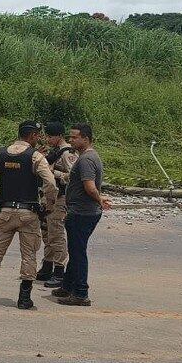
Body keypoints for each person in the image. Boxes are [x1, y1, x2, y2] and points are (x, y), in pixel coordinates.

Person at [0, 121, 57, 310]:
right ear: (32, 136)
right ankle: (24, 298)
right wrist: (49, 205)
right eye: (38, 135)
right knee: (28, 255)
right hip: (29, 213)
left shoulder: (1, 153)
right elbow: (51, 184)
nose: (39, 139)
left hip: (5, 210)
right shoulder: (35, 156)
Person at [54, 122, 111, 307]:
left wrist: (99, 199)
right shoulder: (88, 157)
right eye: (70, 137)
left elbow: (90, 187)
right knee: (75, 250)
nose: (71, 140)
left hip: (82, 213)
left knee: (78, 253)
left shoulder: (86, 159)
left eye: (75, 137)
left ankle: (80, 293)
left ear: (86, 139)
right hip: (82, 211)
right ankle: (68, 286)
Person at [38, 122, 77, 289]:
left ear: (59, 136)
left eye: (50, 136)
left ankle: (59, 270)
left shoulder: (67, 153)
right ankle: (47, 265)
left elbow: (74, 175)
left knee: (56, 234)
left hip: (60, 198)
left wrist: (53, 172)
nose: (48, 139)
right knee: (46, 232)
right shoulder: (54, 152)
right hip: (48, 197)